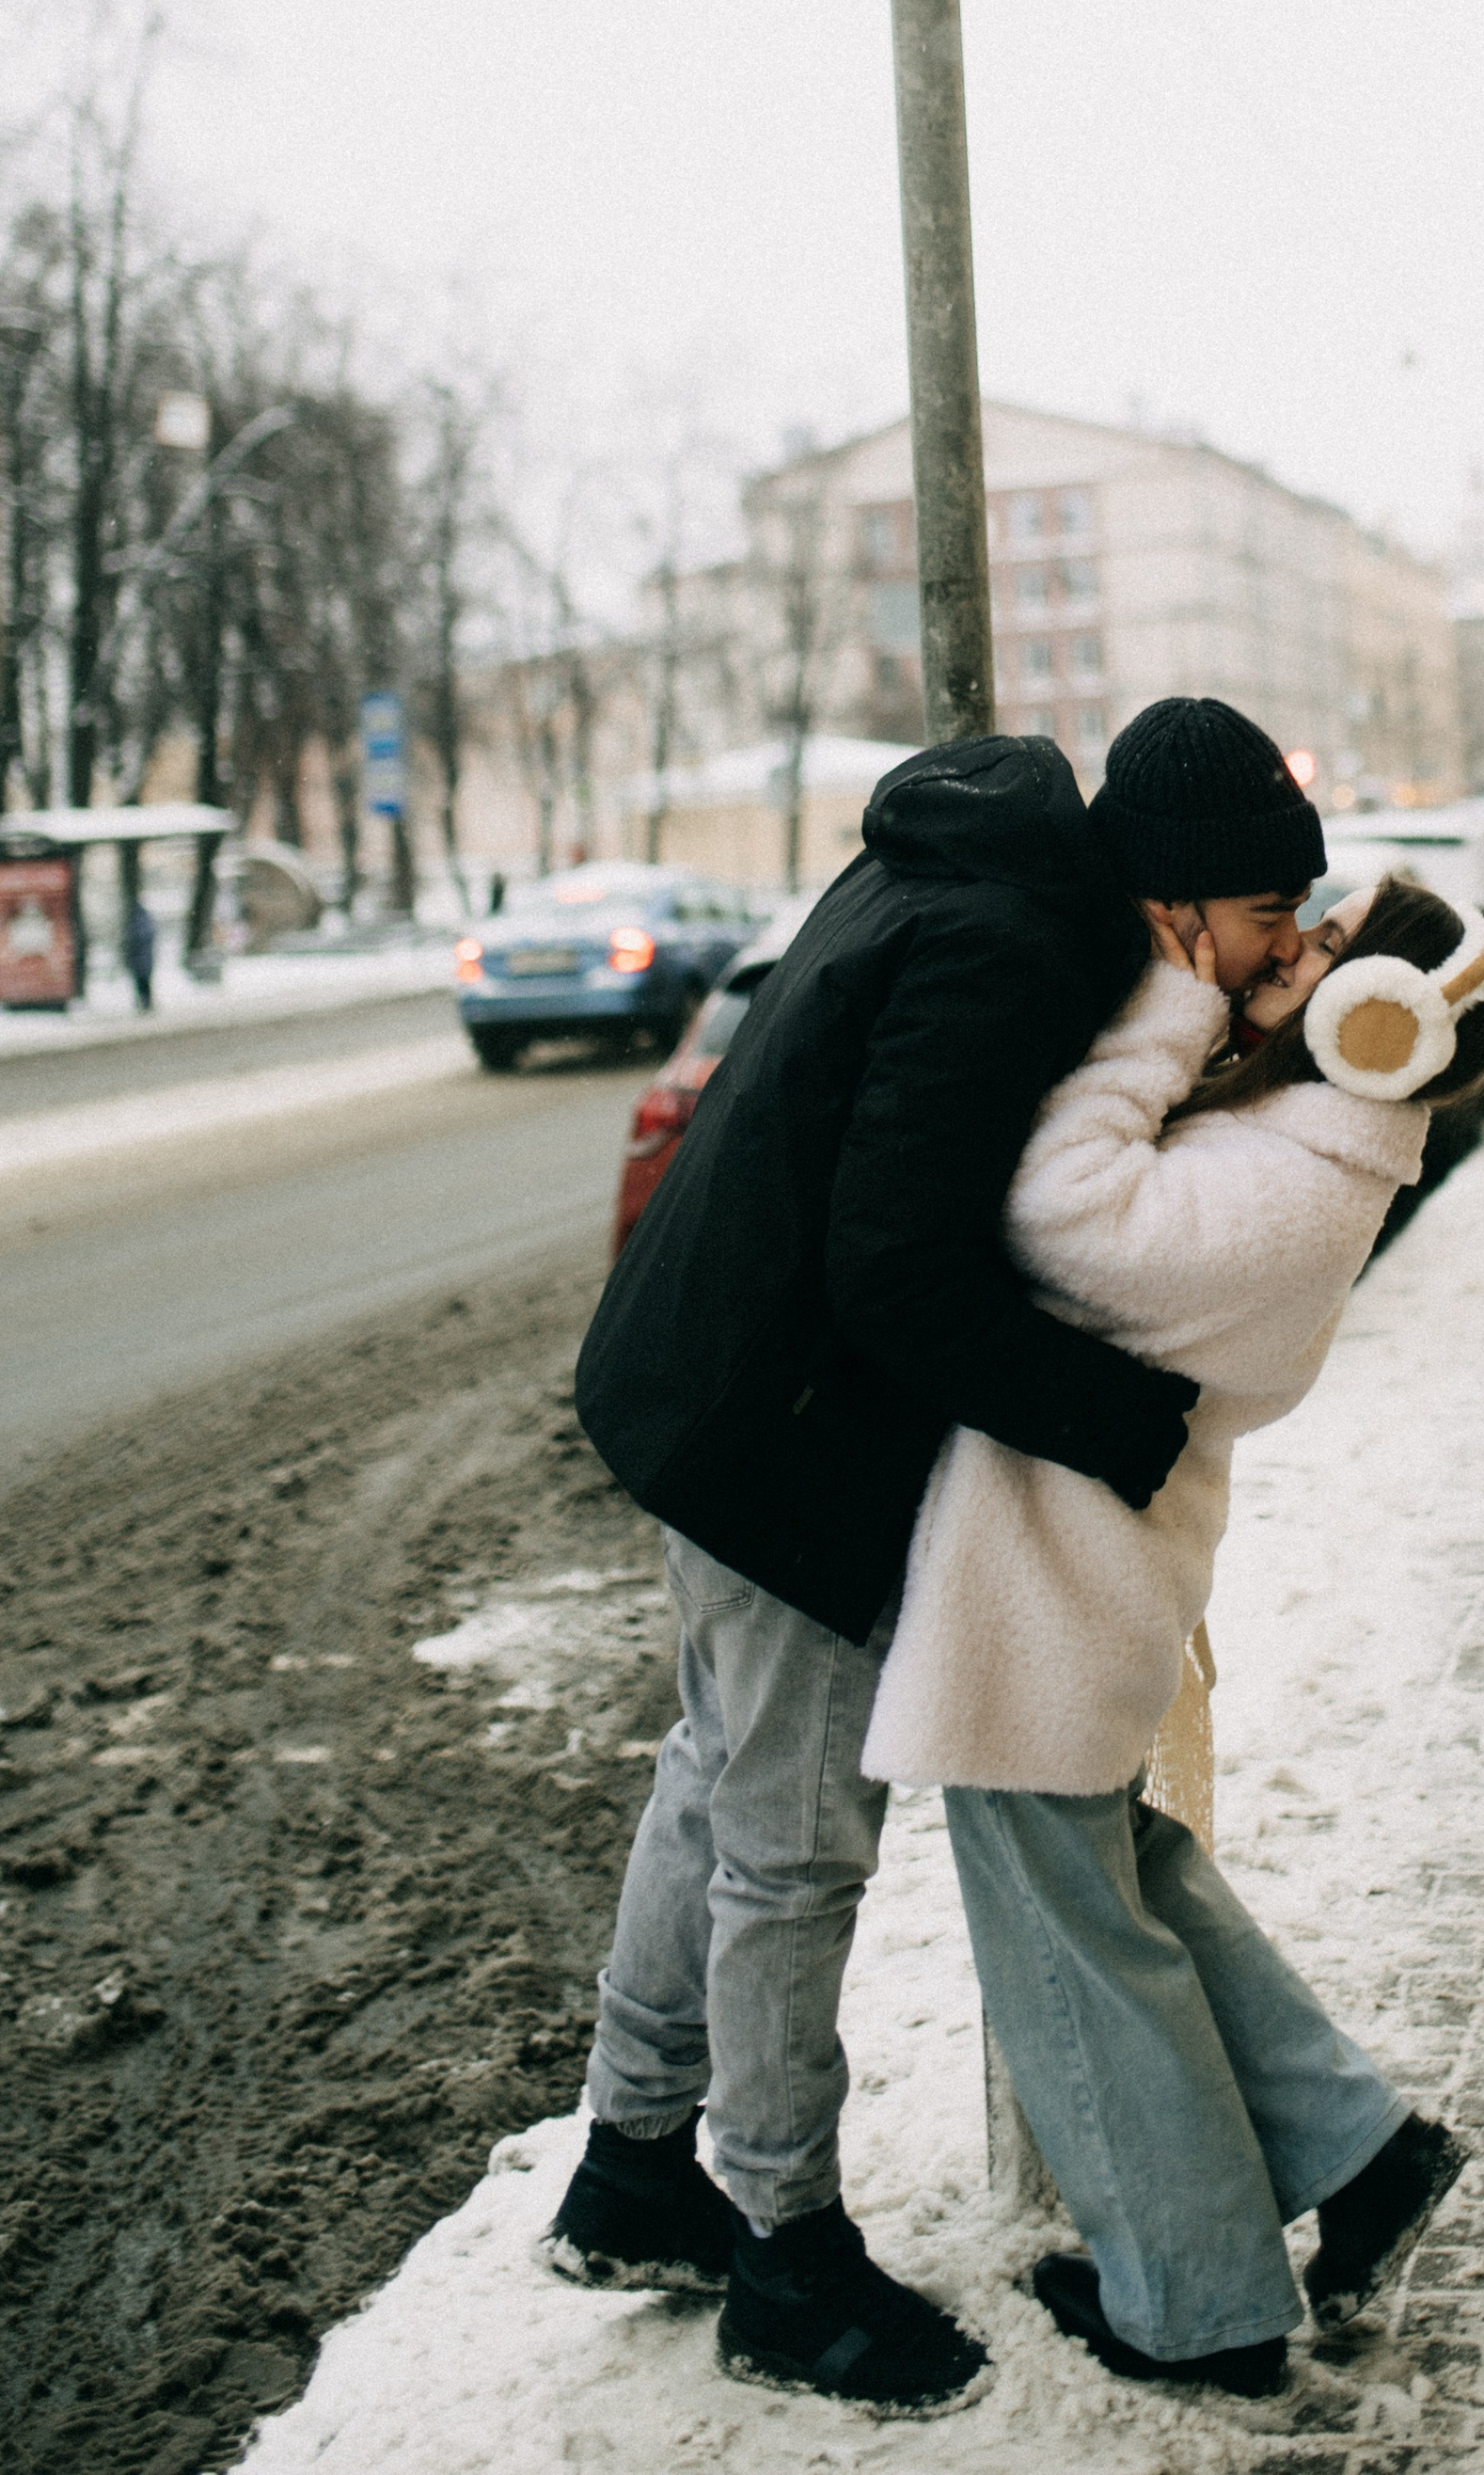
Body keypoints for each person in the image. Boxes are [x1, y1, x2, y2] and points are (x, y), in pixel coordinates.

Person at [548, 701, 1328, 2416]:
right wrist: (1125, 1426)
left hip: (715, 1377)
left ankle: (631, 2165)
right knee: (791, 1840)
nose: (1286, 951)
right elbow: (900, 1268)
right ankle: (782, 2251)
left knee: (722, 1773)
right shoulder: (1018, 946)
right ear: (1185, 898)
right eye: (1271, 919)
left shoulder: (999, 875)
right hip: (783, 1425)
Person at [862, 873, 1484, 2397]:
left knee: (1066, 1929)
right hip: (1065, 1562)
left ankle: (1198, 2302)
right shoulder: (1303, 1139)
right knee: (1121, 1874)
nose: (1296, 949)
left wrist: (1165, 1013)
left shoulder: (1297, 1180)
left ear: (1387, 1020)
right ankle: (1358, 2154)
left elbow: (1055, 1210)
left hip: (1056, 1578)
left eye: (1337, 947)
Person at [122, 892, 157, 1017]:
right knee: (144, 982)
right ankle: (146, 1003)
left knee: (141, 982)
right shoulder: (145, 919)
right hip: (144, 959)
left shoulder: (136, 921)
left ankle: (144, 1003)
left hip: (140, 959)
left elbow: (135, 940)